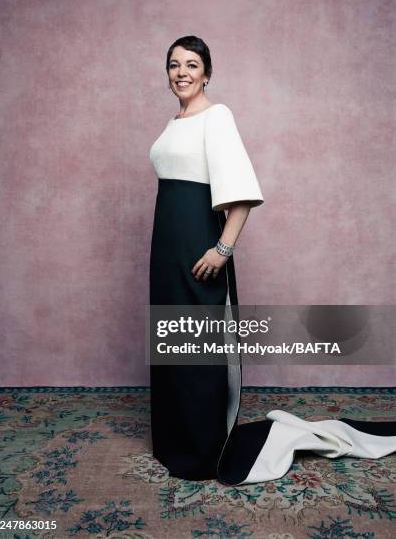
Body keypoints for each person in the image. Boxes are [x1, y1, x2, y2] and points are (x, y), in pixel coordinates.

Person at [148, 35, 396, 485]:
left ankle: (204, 448)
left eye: (191, 64)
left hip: (199, 248)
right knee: (171, 342)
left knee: (200, 349)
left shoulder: (217, 116)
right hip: (164, 249)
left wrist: (221, 249)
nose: (181, 72)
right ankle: (174, 441)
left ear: (207, 72)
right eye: (173, 65)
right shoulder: (173, 123)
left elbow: (240, 195)